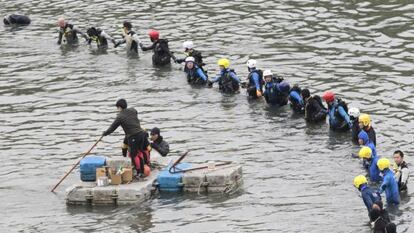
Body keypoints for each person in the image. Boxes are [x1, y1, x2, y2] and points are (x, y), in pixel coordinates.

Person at [102, 99, 150, 177]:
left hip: (133, 136)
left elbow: (112, 128)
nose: (117, 110)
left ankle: (139, 172)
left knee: (133, 155)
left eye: (117, 108)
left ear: (120, 107)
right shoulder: (133, 110)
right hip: (142, 134)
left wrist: (105, 133)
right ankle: (142, 169)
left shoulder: (120, 117)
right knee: (139, 152)